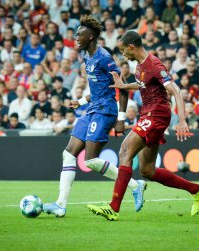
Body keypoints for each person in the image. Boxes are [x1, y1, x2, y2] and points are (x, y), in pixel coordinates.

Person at [87, 31, 199, 221]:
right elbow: (143, 84)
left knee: (125, 151)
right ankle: (197, 189)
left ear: (131, 47)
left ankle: (113, 208)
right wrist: (123, 86)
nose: (123, 54)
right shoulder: (140, 65)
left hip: (157, 114)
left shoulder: (153, 64)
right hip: (149, 114)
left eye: (123, 50)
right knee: (147, 170)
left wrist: (182, 119)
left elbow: (175, 90)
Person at [43, 16, 145, 218]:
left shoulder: (104, 58)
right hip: (91, 110)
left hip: (105, 111)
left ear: (91, 36)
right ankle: (60, 205)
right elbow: (98, 89)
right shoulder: (88, 57)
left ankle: (135, 185)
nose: (76, 38)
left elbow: (122, 88)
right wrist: (80, 102)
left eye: (80, 35)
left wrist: (122, 118)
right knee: (69, 154)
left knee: (90, 160)